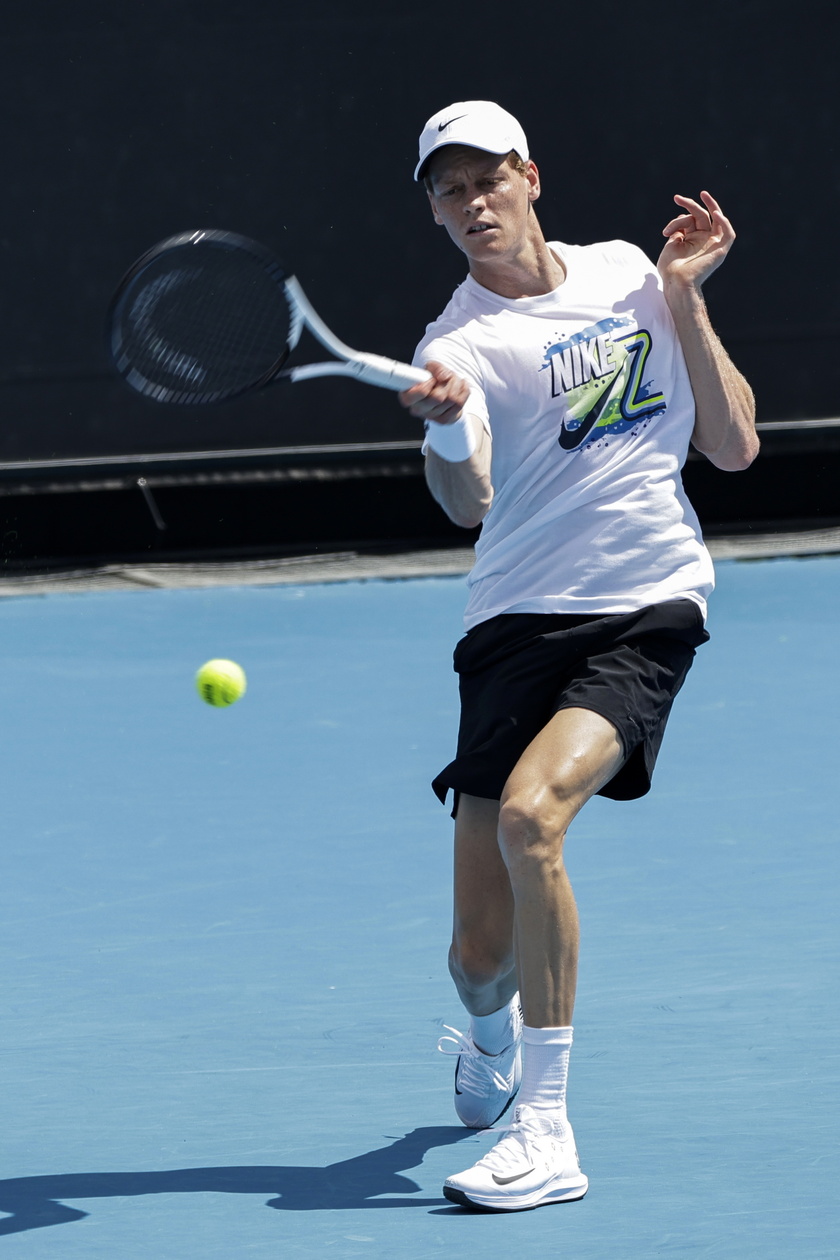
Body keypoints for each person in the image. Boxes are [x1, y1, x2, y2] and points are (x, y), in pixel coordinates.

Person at [399, 101, 758, 1212]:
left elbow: (734, 444)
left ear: (530, 177)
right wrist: (452, 428)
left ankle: (548, 1134)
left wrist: (685, 298)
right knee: (476, 955)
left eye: (486, 180)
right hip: (512, 626)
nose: (472, 206)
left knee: (530, 819)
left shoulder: (629, 276)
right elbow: (468, 503)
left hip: (648, 603)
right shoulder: (453, 345)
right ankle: (488, 1035)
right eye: (448, 192)